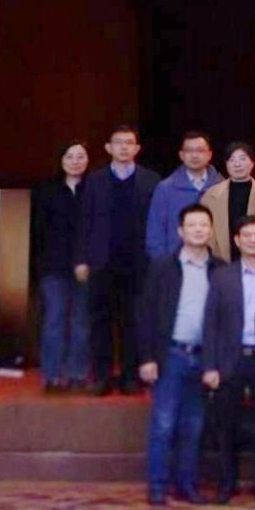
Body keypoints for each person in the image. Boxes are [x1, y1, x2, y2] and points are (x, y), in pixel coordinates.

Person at [136, 204, 222, 505]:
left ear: (211, 230)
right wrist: (147, 357)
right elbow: (145, 314)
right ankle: (158, 486)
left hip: (204, 357)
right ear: (180, 231)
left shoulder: (220, 269)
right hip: (170, 354)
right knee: (163, 423)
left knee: (193, 426)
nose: (198, 230)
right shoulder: (163, 267)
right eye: (192, 225)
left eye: (203, 225)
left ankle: (186, 485)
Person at [199, 215, 255, 505]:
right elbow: (210, 323)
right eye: (247, 235)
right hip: (229, 358)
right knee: (225, 425)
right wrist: (210, 365)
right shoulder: (222, 276)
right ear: (236, 240)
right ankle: (226, 482)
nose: (253, 240)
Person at [89, 125, 159, 395]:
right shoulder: (95, 180)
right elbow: (85, 221)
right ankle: (102, 377)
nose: (124, 147)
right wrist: (83, 258)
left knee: (133, 321)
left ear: (137, 148)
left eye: (129, 142)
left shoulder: (151, 180)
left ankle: (131, 376)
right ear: (108, 148)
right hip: (102, 261)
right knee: (101, 322)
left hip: (138, 263)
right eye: (118, 142)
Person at [31, 141, 96, 391]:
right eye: (70, 156)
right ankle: (52, 375)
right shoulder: (47, 190)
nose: (75, 161)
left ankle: (78, 373)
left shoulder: (95, 189)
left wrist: (87, 260)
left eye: (80, 156)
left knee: (81, 323)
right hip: (53, 266)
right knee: (54, 320)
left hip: (87, 266)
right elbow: (38, 231)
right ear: (61, 160)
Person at [145, 131, 221, 260]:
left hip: (215, 265)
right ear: (181, 155)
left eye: (200, 150)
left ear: (209, 155)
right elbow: (155, 233)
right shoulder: (166, 188)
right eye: (189, 151)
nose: (195, 155)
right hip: (176, 263)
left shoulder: (221, 186)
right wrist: (164, 265)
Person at [201, 142, 255, 261]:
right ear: (226, 164)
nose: (237, 164)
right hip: (220, 260)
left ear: (252, 163)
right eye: (231, 160)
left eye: (243, 159)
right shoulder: (211, 195)